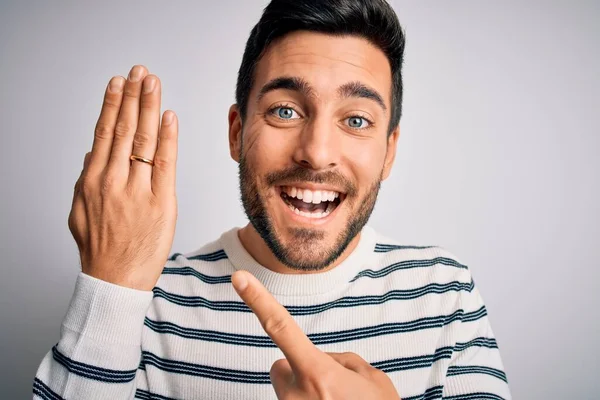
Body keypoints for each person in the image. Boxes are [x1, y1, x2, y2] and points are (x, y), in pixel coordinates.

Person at [32, 0, 511, 399]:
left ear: (389, 152)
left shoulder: (444, 293)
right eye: (285, 110)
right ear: (237, 133)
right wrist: (111, 285)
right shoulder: (146, 302)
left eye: (358, 120)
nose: (317, 152)